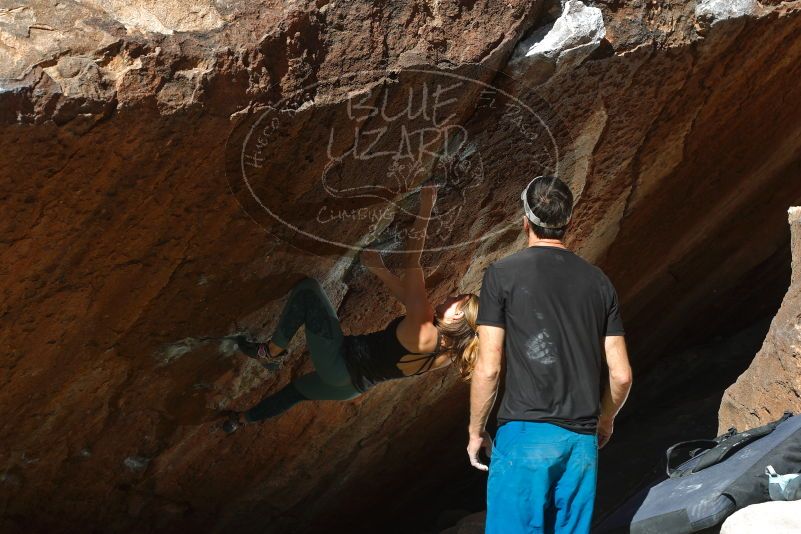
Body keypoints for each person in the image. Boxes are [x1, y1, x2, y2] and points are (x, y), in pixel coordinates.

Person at [222, 185, 480, 433]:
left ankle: (270, 351)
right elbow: (408, 299)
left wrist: (426, 207)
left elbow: (412, 259)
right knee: (296, 392)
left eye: (459, 298)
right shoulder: (446, 355)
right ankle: (239, 421)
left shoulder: (425, 325)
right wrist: (378, 268)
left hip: (340, 362)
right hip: (350, 388)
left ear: (458, 314)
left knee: (308, 291)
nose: (453, 294)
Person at [466, 175, 633, 533]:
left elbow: (489, 367)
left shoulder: (501, 275)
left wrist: (476, 430)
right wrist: (604, 421)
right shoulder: (599, 283)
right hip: (580, 443)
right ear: (569, 222)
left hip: (525, 434)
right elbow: (621, 375)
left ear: (525, 220)